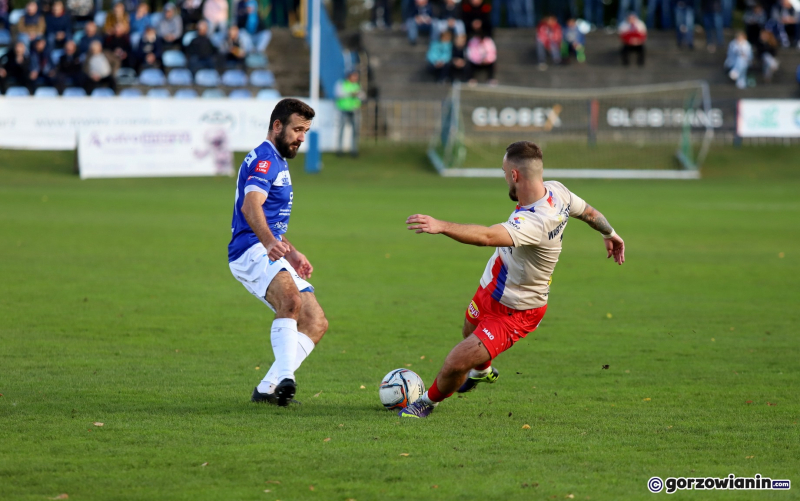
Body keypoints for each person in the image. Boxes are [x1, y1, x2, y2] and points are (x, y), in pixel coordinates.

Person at [399, 141, 625, 418]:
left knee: (456, 363)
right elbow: (589, 212)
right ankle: (483, 371)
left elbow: (486, 237)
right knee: (469, 330)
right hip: (492, 288)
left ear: (515, 175)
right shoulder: (558, 192)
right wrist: (609, 233)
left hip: (516, 311)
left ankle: (425, 403)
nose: (504, 176)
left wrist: (441, 226)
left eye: (505, 171)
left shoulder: (537, 221)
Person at [228, 98, 328, 407]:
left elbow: (271, 221)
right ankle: (287, 377)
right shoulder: (264, 160)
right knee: (291, 301)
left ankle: (267, 388)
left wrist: (291, 252)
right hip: (249, 249)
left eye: (306, 131)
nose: (301, 137)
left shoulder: (278, 160)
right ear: (277, 126)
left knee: (315, 321)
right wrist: (272, 244)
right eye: (297, 129)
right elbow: (251, 206)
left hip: (268, 247)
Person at [334, 70, 364, 156]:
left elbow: (362, 96)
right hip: (343, 109)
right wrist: (351, 94)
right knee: (341, 130)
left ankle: (354, 150)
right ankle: (339, 150)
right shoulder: (341, 84)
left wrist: (358, 95)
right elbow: (338, 94)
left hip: (355, 110)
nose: (356, 78)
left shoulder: (358, 85)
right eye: (354, 76)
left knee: (355, 131)